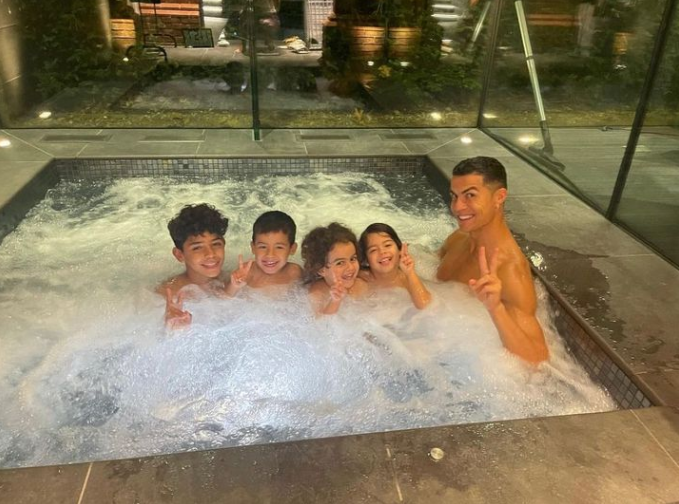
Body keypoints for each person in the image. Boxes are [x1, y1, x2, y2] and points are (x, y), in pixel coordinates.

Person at [437, 157, 549, 364]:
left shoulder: (509, 271)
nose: (457, 207)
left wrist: (496, 308)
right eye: (454, 196)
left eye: (470, 195)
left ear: (499, 197)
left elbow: (537, 359)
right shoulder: (459, 237)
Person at [159, 203, 230, 329]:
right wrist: (172, 330)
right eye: (197, 248)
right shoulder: (166, 295)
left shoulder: (234, 280)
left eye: (216, 244)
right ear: (179, 255)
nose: (210, 254)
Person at [225, 210, 302, 296]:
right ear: (253, 247)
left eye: (279, 247)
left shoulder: (295, 272)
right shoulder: (247, 272)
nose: (270, 254)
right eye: (263, 247)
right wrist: (234, 286)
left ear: (292, 249)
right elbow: (225, 297)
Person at [358, 223, 431, 309]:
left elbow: (425, 305)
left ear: (399, 250)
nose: (382, 252)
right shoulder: (361, 279)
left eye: (387, 245)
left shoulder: (407, 280)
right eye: (373, 250)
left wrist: (410, 273)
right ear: (366, 259)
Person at [301, 222, 368, 315]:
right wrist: (335, 301)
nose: (351, 267)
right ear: (321, 270)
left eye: (352, 259)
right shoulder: (317, 293)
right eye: (340, 263)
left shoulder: (361, 285)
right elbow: (321, 321)